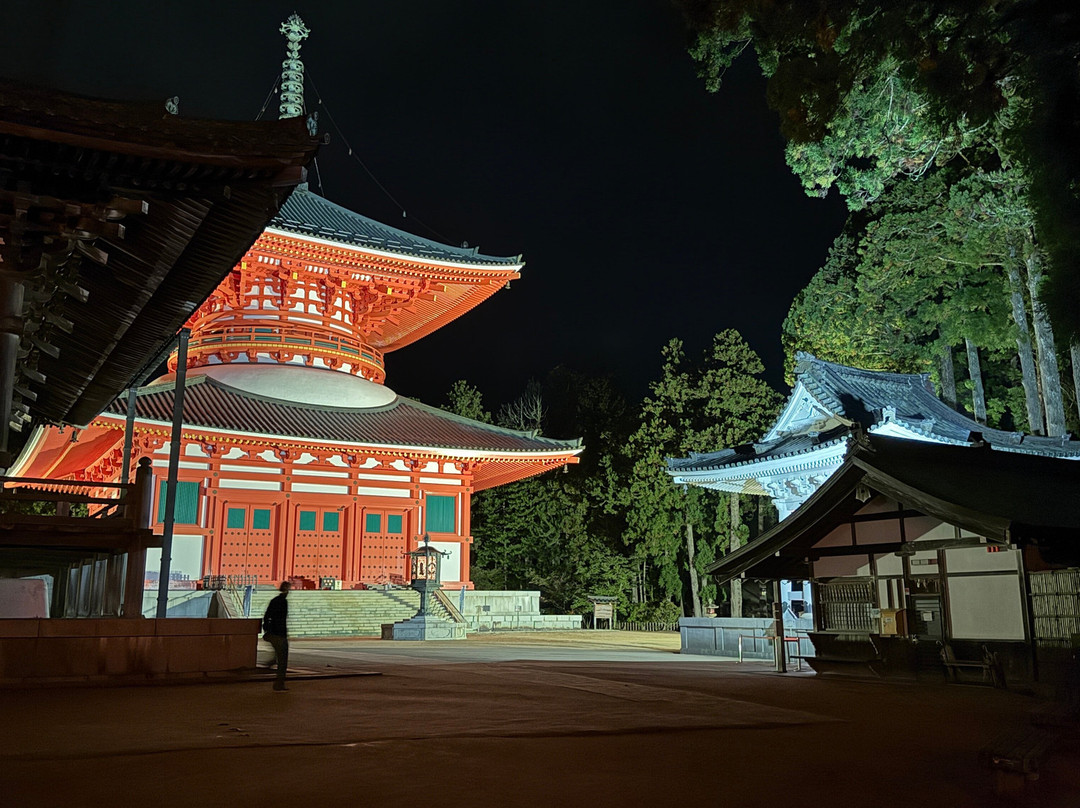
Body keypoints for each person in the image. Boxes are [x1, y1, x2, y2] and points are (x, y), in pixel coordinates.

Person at [262, 580, 291, 691]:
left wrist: (267, 629)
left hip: (273, 633)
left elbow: (267, 616)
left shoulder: (274, 600)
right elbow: (281, 620)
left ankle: (269, 666)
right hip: (280, 634)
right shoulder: (283, 602)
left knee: (277, 657)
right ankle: (279, 683)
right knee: (283, 660)